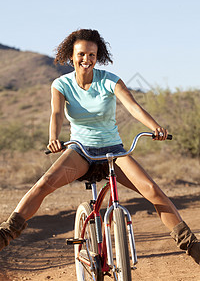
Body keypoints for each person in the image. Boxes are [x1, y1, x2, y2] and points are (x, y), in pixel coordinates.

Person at [0, 29, 199, 265]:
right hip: (81, 151)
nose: (87, 59)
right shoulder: (61, 84)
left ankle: (191, 246)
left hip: (114, 150)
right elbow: (56, 114)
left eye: (92, 54)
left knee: (153, 191)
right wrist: (53, 137)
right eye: (81, 54)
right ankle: (5, 234)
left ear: (98, 56)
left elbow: (133, 107)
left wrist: (156, 127)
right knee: (44, 184)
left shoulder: (110, 80)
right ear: (71, 56)